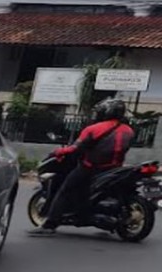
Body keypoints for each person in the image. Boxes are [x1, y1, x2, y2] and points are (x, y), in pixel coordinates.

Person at [29, 98, 135, 236]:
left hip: (91, 168)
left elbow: (75, 149)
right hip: (114, 169)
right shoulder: (129, 130)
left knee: (65, 190)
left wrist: (58, 152)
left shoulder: (93, 129)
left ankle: (50, 224)